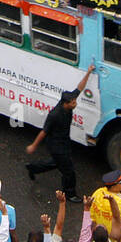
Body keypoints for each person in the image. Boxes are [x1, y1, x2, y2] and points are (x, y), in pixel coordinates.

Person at [25, 65, 94, 202]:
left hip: (64, 142)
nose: (76, 104)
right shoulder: (54, 115)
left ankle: (33, 168)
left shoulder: (68, 102)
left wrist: (89, 72)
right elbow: (44, 132)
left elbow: (80, 87)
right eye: (73, 102)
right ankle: (70, 194)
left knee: (56, 163)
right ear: (66, 104)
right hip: (56, 146)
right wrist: (33, 146)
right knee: (68, 171)